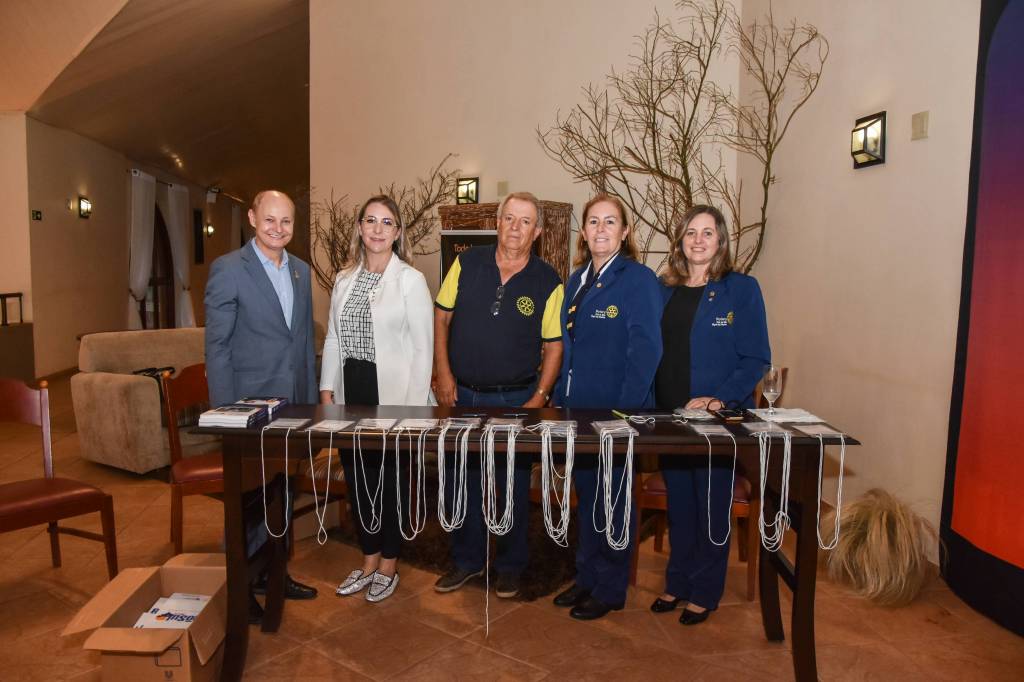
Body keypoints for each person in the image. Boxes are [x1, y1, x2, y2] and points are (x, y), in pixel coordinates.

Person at [432, 191, 564, 599]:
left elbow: (554, 345)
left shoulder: (548, 280)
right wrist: (443, 373)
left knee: (511, 485)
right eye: (509, 218)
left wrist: (540, 396)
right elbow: (441, 317)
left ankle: (510, 566)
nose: (515, 227)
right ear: (497, 222)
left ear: (537, 232)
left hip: (515, 400)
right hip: (463, 396)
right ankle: (466, 561)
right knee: (462, 482)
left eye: (525, 221)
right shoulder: (466, 263)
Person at [650, 205, 770, 625]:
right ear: (680, 241)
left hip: (716, 421)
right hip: (669, 417)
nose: (698, 240)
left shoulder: (741, 289)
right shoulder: (663, 289)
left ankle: (704, 590)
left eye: (707, 232)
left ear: (720, 240)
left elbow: (756, 357)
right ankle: (678, 581)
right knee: (680, 506)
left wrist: (721, 399)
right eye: (690, 232)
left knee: (711, 505)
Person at [204, 189, 319, 622]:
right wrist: (225, 414)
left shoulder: (301, 270)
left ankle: (275, 573)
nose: (277, 228)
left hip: (292, 407)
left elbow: (302, 342)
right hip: (248, 407)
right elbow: (216, 346)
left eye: (286, 221)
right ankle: (243, 585)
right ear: (252, 218)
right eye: (269, 219)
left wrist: (310, 404)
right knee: (249, 499)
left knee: (281, 491)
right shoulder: (229, 269)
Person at [552, 194, 663, 620]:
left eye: (610, 221)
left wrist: (623, 413)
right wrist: (559, 400)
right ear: (583, 232)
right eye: (594, 222)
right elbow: (567, 349)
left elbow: (647, 350)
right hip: (577, 413)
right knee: (587, 498)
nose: (601, 229)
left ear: (625, 231)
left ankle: (611, 587)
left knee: (614, 500)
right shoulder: (577, 280)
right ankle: (586, 576)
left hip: (616, 415)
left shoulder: (638, 280)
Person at [320, 195, 433, 603]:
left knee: (392, 483)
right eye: (371, 220)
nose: (378, 229)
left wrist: (412, 411)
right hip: (352, 392)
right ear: (360, 228)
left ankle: (389, 564)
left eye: (387, 222)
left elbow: (423, 349)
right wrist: (327, 388)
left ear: (397, 232)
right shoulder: (343, 279)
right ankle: (368, 559)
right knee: (359, 479)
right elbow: (334, 338)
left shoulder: (411, 281)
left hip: (395, 396)